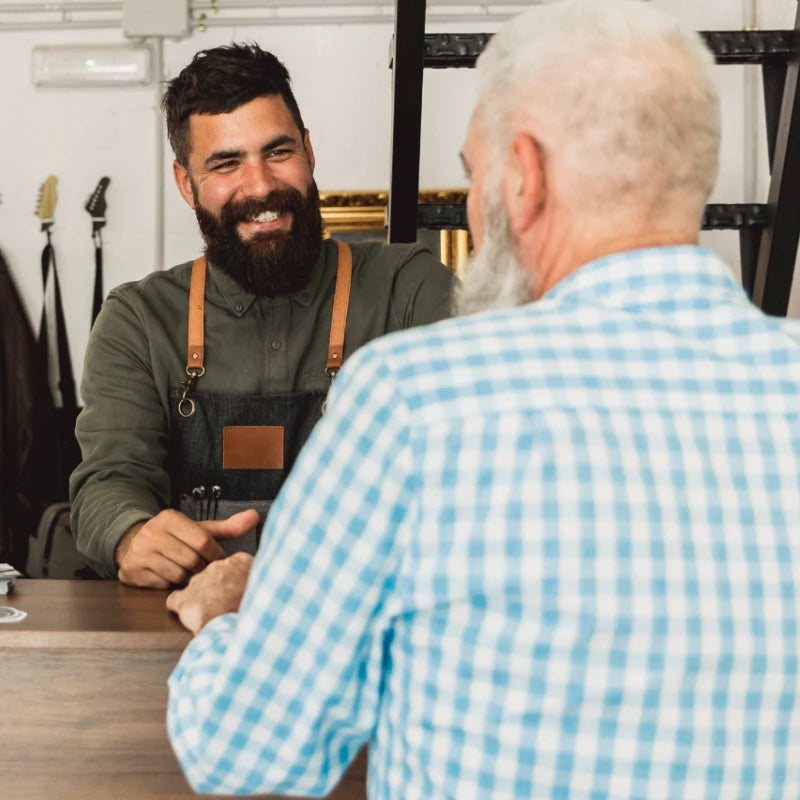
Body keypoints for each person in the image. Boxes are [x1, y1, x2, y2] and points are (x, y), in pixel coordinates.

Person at [166, 2, 800, 797]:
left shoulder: (414, 405)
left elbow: (247, 753)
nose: (472, 205)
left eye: (472, 173)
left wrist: (231, 619)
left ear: (524, 176)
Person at [69, 43, 457, 588]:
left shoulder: (410, 289)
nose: (260, 185)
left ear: (309, 151)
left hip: (368, 622)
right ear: (187, 184)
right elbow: (107, 481)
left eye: (278, 152)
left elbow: (473, 466)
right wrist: (130, 533)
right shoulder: (138, 320)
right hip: (190, 633)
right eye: (226, 163)